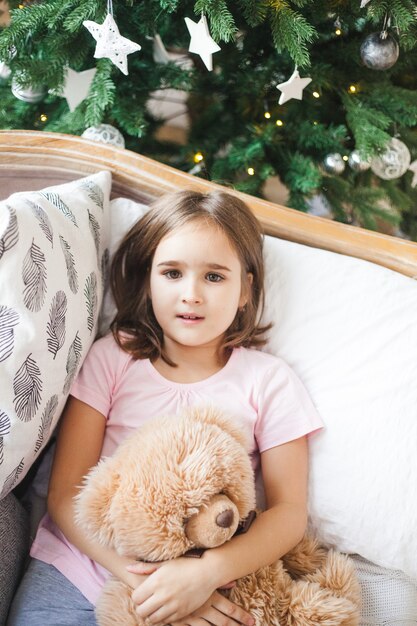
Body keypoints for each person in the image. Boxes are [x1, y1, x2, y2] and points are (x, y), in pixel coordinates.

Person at [7, 189, 323, 626]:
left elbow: (288, 514)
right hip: (80, 569)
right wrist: (145, 580)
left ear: (246, 289)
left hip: (203, 586)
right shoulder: (111, 359)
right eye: (172, 273)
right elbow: (65, 494)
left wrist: (205, 575)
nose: (191, 294)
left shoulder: (269, 381)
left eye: (214, 277)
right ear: (147, 281)